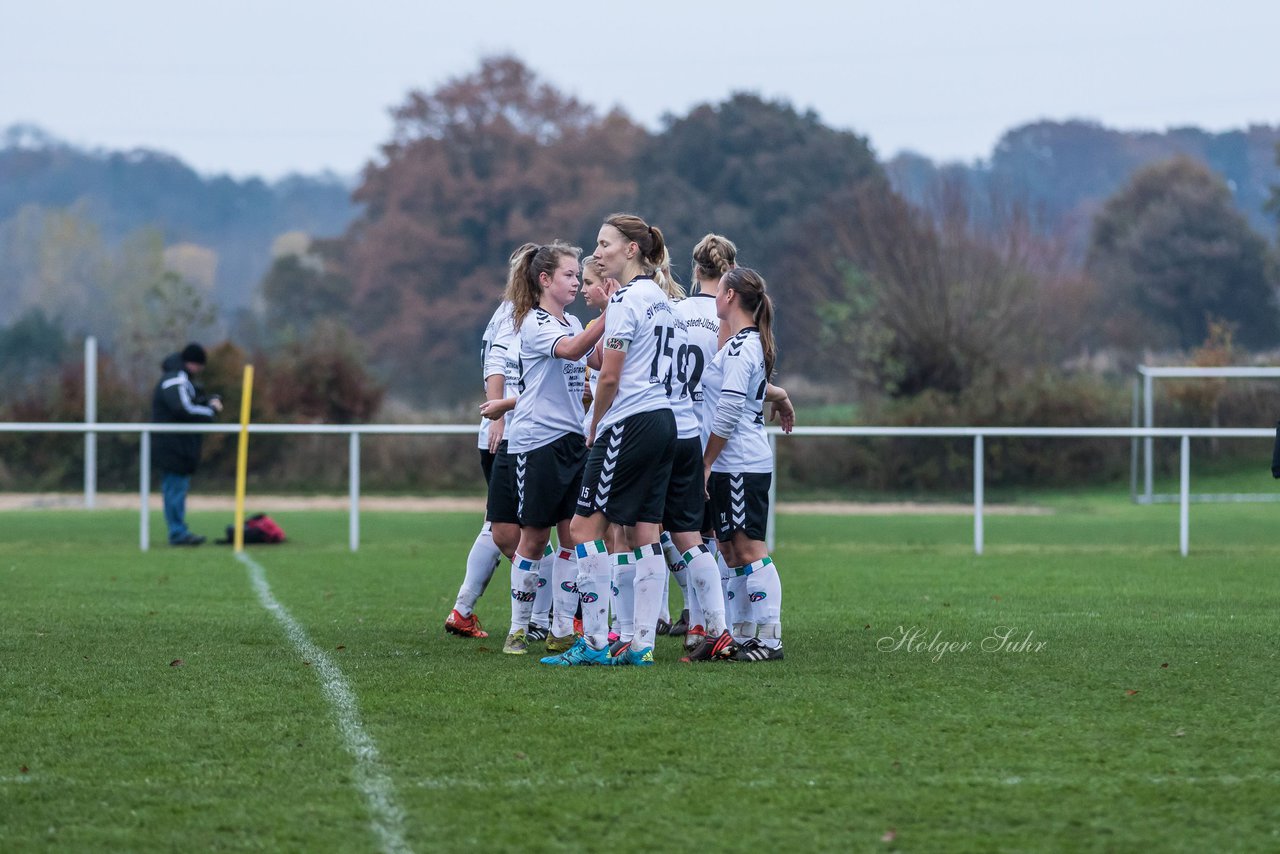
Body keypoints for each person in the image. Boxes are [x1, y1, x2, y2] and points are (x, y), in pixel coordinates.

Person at [547, 213, 678, 667]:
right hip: (663, 420)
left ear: (631, 250)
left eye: (604, 244)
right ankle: (641, 644)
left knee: (584, 528)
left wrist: (594, 424)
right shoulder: (661, 298)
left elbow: (610, 377)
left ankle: (596, 642)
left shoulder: (625, 300)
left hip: (630, 419)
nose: (597, 252)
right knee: (645, 531)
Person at [487, 241, 604, 656]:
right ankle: (518, 630)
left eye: (578, 275)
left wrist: (621, 324)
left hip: (573, 441)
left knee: (572, 538)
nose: (576, 281)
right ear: (544, 280)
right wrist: (612, 312)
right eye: (570, 275)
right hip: (537, 444)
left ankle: (559, 628)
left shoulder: (572, 320)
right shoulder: (534, 323)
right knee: (533, 539)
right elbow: (572, 350)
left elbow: (597, 359)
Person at [701, 267, 795, 662]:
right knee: (730, 550)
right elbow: (751, 388)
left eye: (720, 290)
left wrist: (704, 463)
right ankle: (742, 637)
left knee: (750, 548)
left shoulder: (743, 347)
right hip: (729, 465)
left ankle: (769, 640)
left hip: (739, 463)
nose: (715, 296)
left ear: (731, 297)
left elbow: (729, 410)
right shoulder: (738, 345)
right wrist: (780, 394)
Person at [444, 297, 521, 639]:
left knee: (497, 525)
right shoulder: (515, 314)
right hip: (513, 435)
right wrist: (501, 419)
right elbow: (497, 364)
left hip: (508, 433)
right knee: (526, 529)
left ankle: (462, 610)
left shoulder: (505, 312)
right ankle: (548, 616)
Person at [151, 343, 222, 546]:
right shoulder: (175, 378)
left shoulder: (182, 379)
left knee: (177, 489)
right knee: (174, 489)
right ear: (194, 363)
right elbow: (182, 409)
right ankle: (177, 533)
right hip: (173, 446)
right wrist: (210, 411)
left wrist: (206, 402)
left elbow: (189, 405)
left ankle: (179, 531)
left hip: (179, 446)